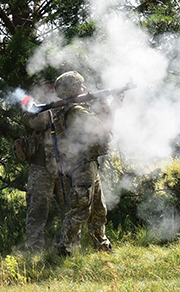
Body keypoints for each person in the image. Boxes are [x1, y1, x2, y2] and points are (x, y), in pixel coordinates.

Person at [53, 71, 123, 256]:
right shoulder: (76, 111)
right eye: (80, 86)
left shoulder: (74, 109)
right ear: (73, 90)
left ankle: (102, 246)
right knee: (81, 210)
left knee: (99, 210)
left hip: (87, 164)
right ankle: (64, 248)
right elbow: (103, 130)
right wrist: (113, 109)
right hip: (82, 166)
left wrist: (105, 108)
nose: (85, 89)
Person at [23, 78, 70, 252]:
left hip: (64, 166)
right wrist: (44, 103)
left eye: (52, 85)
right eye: (46, 85)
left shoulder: (64, 106)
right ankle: (33, 249)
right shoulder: (31, 106)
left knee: (69, 207)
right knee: (37, 209)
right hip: (41, 166)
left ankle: (70, 245)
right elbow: (40, 122)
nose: (50, 88)